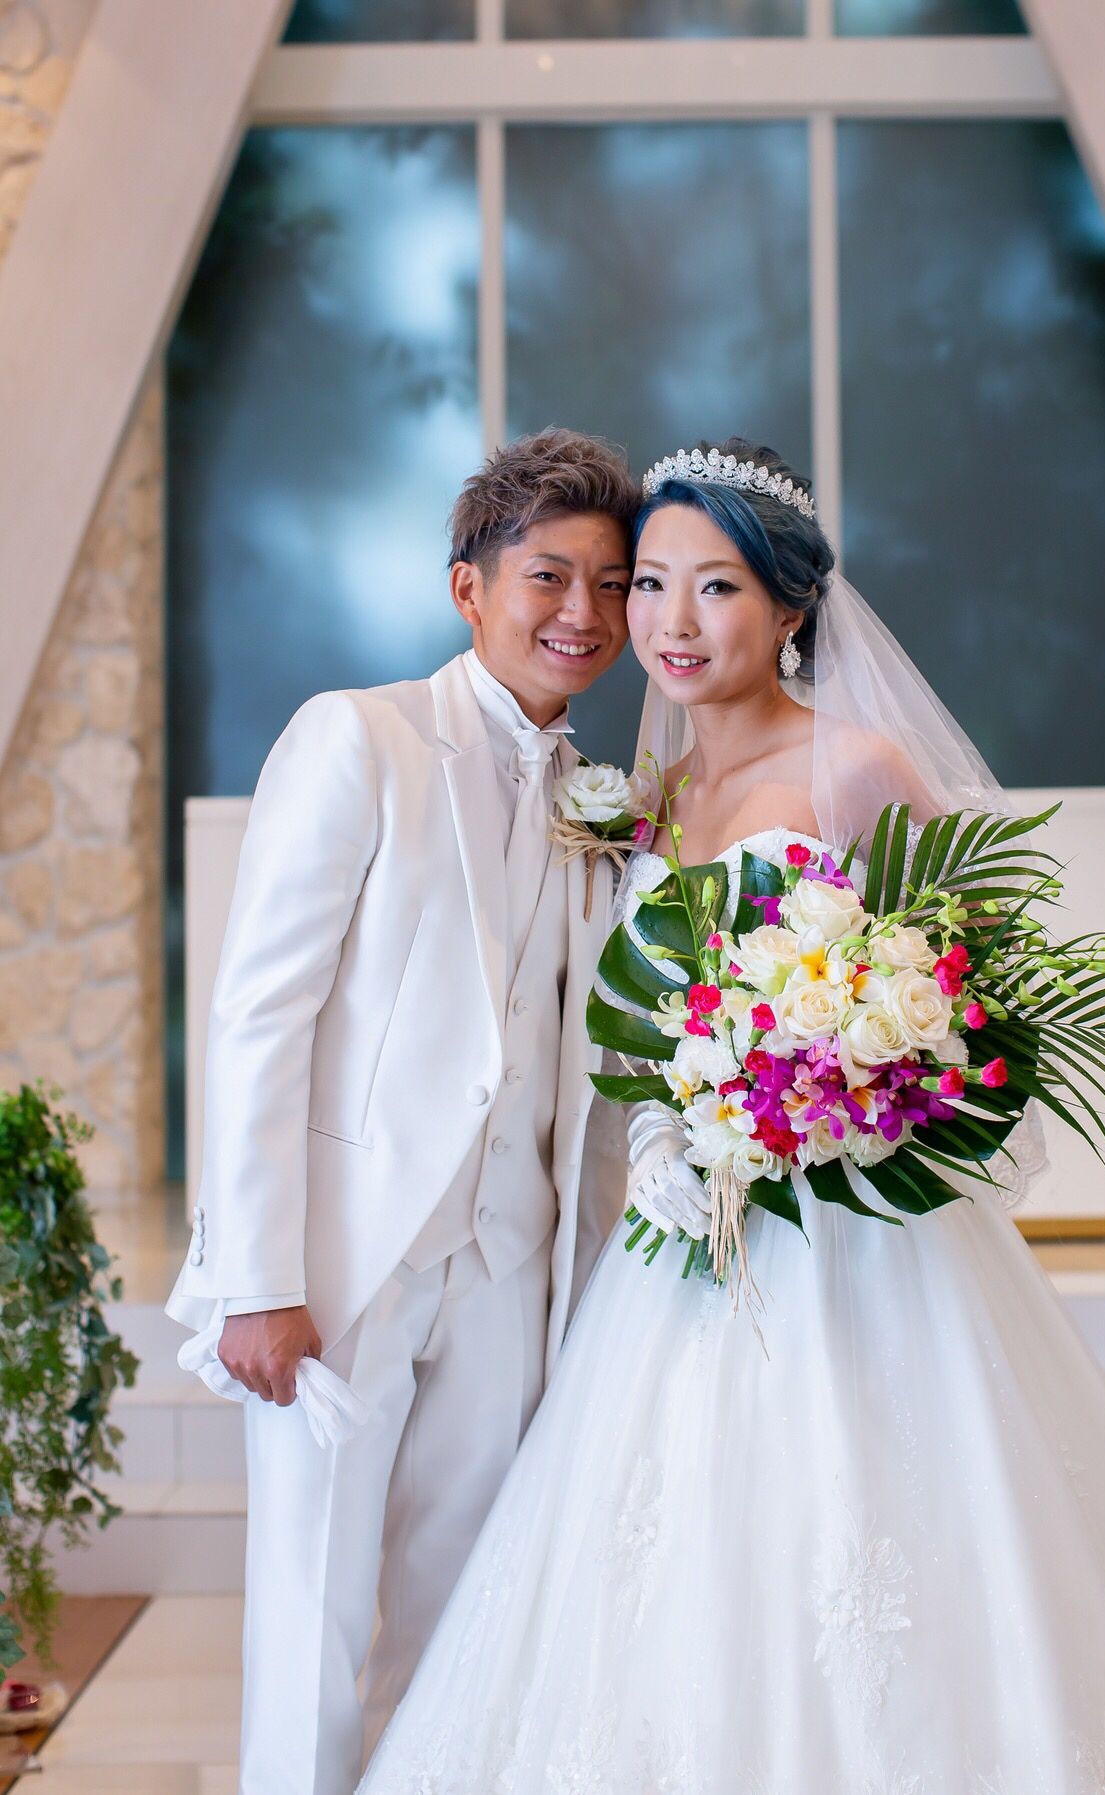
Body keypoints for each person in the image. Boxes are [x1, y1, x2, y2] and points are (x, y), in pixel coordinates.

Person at [358, 438, 1105, 1794]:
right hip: (684, 1248)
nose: (672, 623)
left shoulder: (857, 767)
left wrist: (846, 1088)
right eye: (651, 586)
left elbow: (982, 1017)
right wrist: (682, 1125)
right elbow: (627, 1027)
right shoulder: (645, 804)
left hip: (855, 1248)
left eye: (719, 587)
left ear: (793, 606)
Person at [165, 427, 639, 1795]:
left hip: (509, 1269)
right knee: (310, 1628)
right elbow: (260, 1015)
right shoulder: (359, 737)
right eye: (550, 577)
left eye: (613, 586)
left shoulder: (603, 803)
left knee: (460, 1628)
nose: (585, 612)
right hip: (342, 1272)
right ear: (467, 588)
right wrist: (258, 1281)